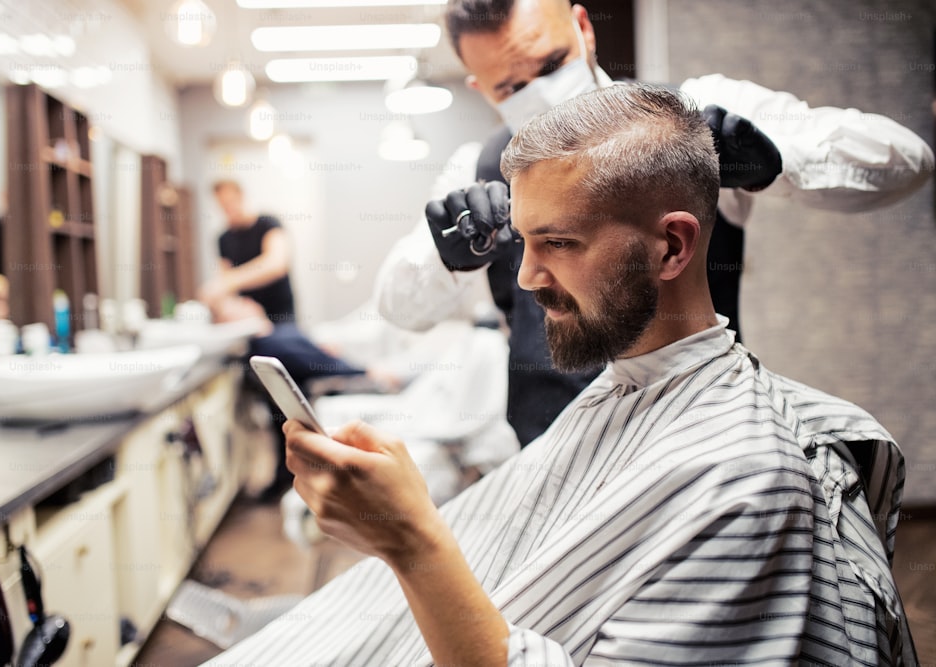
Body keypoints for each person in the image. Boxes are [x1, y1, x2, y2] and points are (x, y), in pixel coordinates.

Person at [204, 84, 915, 666]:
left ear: (672, 246)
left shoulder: (745, 481)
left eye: (560, 243)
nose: (525, 276)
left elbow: (905, 156)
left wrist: (412, 539)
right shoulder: (623, 393)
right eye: (523, 238)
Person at [375, 0, 935, 448]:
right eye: (511, 87)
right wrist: (447, 255)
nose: (539, 91)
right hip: (552, 451)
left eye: (550, 65)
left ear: (583, 28)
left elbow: (907, 160)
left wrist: (775, 159)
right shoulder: (478, 168)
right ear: (479, 85)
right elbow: (398, 306)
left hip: (697, 442)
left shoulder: (693, 122)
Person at [200, 180, 365, 501]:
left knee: (294, 397)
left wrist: (227, 283)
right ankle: (292, 476)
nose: (228, 209)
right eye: (222, 205)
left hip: (282, 321)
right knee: (279, 405)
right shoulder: (222, 239)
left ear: (241, 196)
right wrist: (234, 305)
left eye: (232, 202)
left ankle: (355, 374)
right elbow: (225, 291)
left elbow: (275, 264)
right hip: (255, 328)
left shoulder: (268, 224)